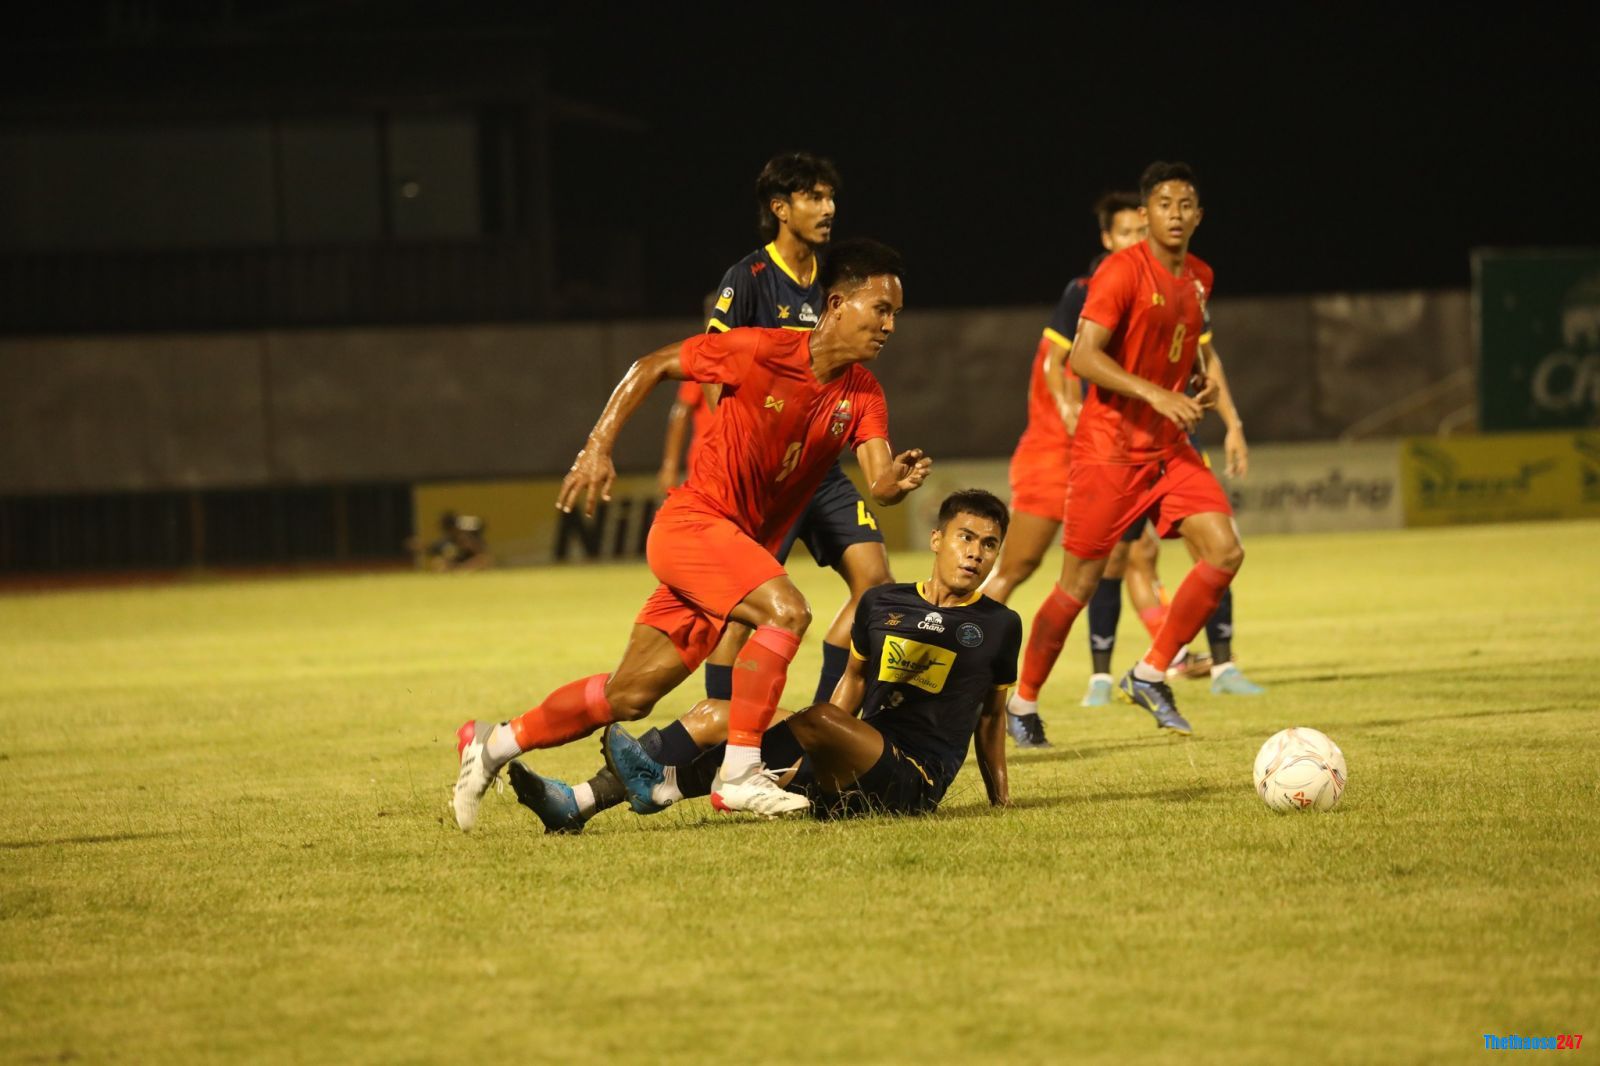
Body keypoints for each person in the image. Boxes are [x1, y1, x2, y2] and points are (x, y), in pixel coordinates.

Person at [451, 238, 931, 830]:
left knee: (627, 696)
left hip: (728, 552)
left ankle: (492, 744)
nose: (889, 325)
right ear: (836, 303)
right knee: (787, 612)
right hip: (693, 525)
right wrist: (597, 446)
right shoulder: (759, 349)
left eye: (895, 316)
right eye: (880, 309)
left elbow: (878, 479)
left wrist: (896, 483)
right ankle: (738, 773)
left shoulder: (863, 394)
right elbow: (650, 365)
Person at [509, 489, 1018, 830]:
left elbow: (992, 720)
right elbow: (855, 681)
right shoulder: (882, 603)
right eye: (966, 537)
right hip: (855, 766)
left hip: (913, 780)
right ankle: (576, 802)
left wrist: (1001, 802)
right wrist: (822, 744)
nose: (975, 553)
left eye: (989, 545)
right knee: (714, 713)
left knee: (814, 718)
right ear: (938, 539)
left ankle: (666, 783)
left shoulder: (1000, 625)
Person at [1007, 161, 1243, 737]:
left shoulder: (1200, 277)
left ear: (1199, 215)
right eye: (1164, 205)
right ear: (1147, 212)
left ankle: (1149, 671)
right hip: (1109, 449)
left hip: (1169, 450)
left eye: (1187, 205)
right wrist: (1157, 394)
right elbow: (1081, 358)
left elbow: (1182, 354)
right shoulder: (1118, 273)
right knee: (1077, 586)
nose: (1176, 215)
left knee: (1225, 552)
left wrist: (1197, 386)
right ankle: (1023, 703)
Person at [697, 152, 895, 711]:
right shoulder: (750, 278)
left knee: (877, 588)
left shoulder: (836, 281)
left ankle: (822, 719)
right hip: (764, 475)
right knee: (743, 616)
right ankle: (719, 731)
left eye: (831, 197)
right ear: (780, 208)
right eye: (814, 197)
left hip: (821, 469)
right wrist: (739, 449)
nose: (828, 208)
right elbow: (712, 367)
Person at [982, 192, 1145, 746]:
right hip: (1054, 454)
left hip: (1098, 456)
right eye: (1127, 231)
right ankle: (956, 647)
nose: (1137, 242)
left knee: (1115, 562)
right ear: (1108, 239)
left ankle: (1041, 696)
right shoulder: (1085, 291)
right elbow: (1057, 361)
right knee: (1017, 566)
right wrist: (1070, 407)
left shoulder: (1142, 300)